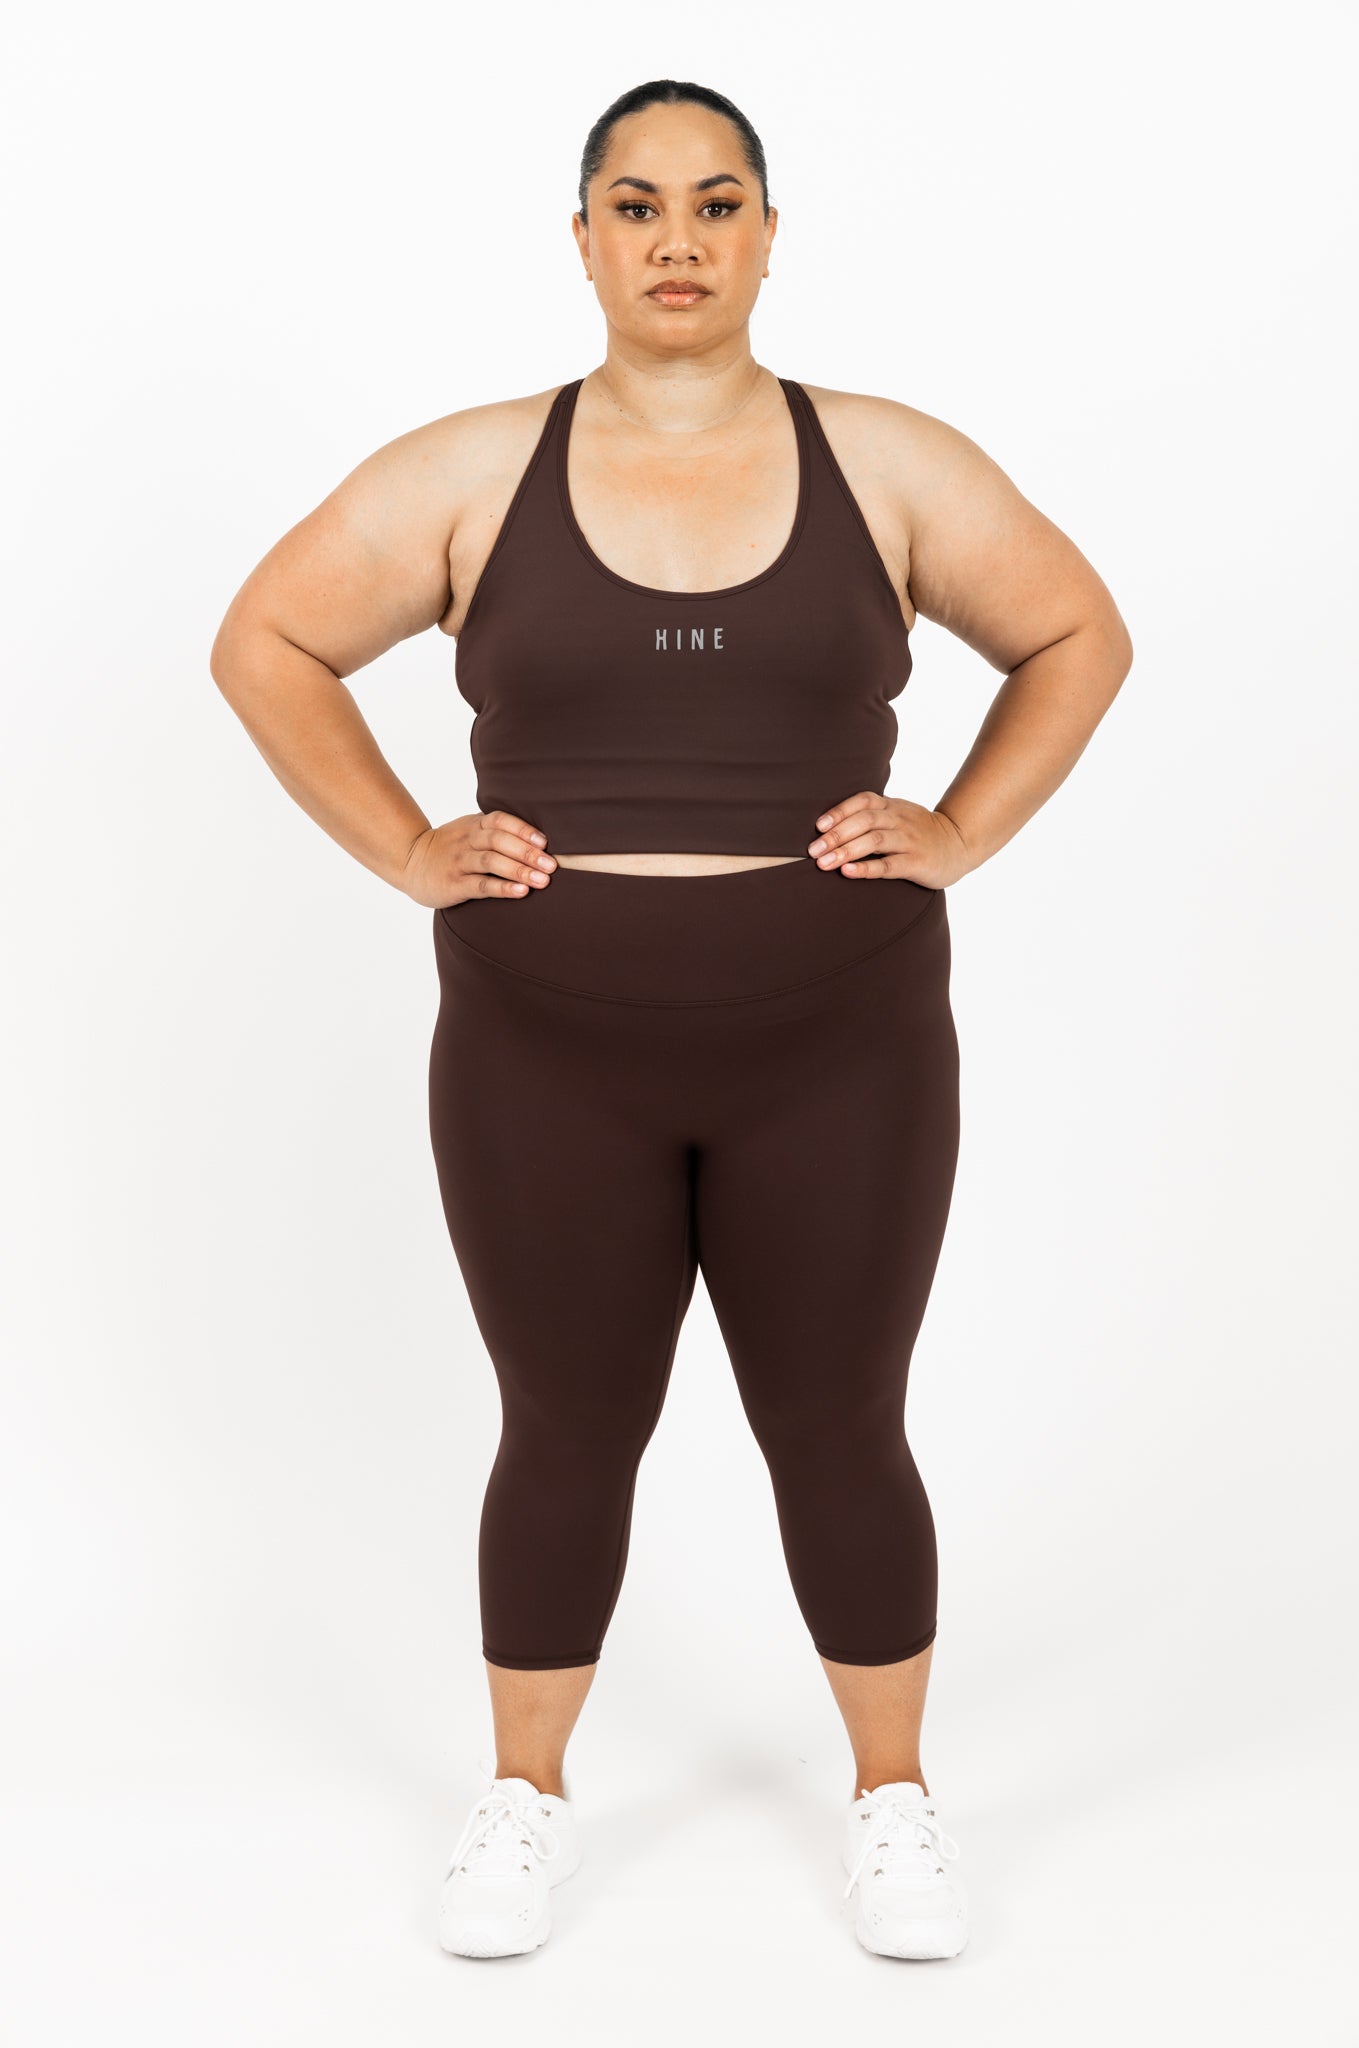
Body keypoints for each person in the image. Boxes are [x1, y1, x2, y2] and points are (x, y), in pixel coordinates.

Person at [210, 77, 1133, 1965]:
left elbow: (1078, 634)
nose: (679, 240)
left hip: (841, 1044)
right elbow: (266, 641)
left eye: (717, 203)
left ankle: (893, 1801)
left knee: (840, 1422)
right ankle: (524, 1801)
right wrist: (407, 847)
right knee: (566, 1424)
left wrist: (962, 827)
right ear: (585, 242)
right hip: (545, 1052)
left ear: (771, 235)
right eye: (637, 206)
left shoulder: (887, 463)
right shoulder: (475, 471)